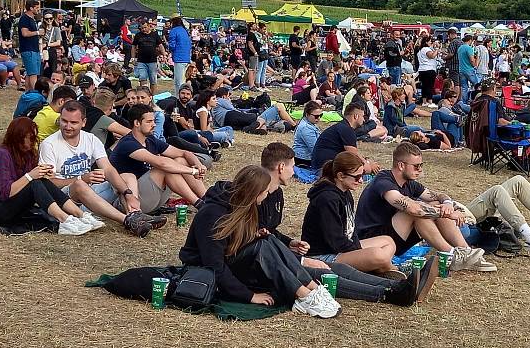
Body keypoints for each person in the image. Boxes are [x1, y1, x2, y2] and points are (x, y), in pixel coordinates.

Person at [257, 142, 430, 305]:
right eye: (357, 177)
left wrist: (290, 243)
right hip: (324, 252)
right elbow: (334, 241)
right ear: (340, 176)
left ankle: (397, 281)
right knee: (368, 260)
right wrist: (303, 259)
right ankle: (398, 281)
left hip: (333, 248)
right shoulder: (326, 198)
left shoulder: (343, 193)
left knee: (387, 242)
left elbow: (270, 233)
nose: (361, 181)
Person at [179, 165, 342, 318]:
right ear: (254, 193)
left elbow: (231, 242)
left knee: (267, 239)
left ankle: (311, 287)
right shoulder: (213, 214)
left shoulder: (241, 205)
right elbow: (214, 263)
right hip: (204, 271)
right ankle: (303, 295)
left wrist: (253, 235)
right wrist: (249, 296)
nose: (266, 197)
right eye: (265, 192)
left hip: (228, 261)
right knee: (262, 247)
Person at [355, 142, 496, 271]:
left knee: (435, 205)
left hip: (393, 235)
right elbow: (411, 208)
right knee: (415, 211)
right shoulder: (383, 181)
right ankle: (451, 255)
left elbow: (438, 195)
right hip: (373, 241)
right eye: (416, 166)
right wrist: (447, 214)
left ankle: (466, 252)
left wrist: (446, 205)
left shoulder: (409, 182)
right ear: (401, 165)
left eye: (421, 165)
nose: (420, 170)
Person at [38, 100, 163, 236]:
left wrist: (128, 193)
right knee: (79, 184)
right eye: (64, 121)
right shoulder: (49, 144)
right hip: (67, 200)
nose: (67, 126)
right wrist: (81, 178)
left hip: (91, 194)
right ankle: (127, 220)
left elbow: (108, 169)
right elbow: (47, 183)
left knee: (127, 176)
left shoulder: (90, 139)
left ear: (84, 122)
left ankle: (136, 215)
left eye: (73, 123)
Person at [0, 117, 96, 235]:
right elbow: (6, 193)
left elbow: (28, 182)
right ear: (18, 138)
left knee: (40, 180)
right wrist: (30, 175)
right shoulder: (1, 154)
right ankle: (65, 220)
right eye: (31, 138)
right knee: (34, 181)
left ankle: (80, 215)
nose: (34, 142)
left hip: (12, 204)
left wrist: (43, 173)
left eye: (35, 138)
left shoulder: (28, 153)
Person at [110, 103, 208, 213]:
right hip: (131, 200)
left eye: (153, 120)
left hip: (152, 195)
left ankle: (207, 198)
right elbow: (162, 164)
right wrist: (192, 171)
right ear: (137, 123)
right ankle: (199, 204)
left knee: (180, 160)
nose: (154, 124)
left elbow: (184, 153)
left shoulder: (150, 140)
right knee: (164, 169)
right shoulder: (127, 143)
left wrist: (198, 165)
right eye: (149, 121)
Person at [310, 102, 381, 173]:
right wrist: (369, 165)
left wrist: (366, 161)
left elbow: (354, 155)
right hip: (323, 169)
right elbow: (354, 156)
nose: (364, 120)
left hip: (319, 166)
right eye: (362, 116)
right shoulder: (347, 130)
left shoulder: (342, 126)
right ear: (356, 116)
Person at [18, 0, 45, 90]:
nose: (39, 10)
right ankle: (35, 93)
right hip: (28, 49)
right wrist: (37, 32)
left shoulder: (33, 19)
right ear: (31, 8)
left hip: (34, 49)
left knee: (32, 73)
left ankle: (29, 92)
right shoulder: (24, 18)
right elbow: (24, 33)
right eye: (37, 8)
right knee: (33, 74)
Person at [132, 20, 162, 95]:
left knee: (153, 80)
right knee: (142, 78)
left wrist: (163, 55)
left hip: (152, 61)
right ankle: (143, 95)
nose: (143, 30)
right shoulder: (138, 35)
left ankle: (152, 96)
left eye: (145, 27)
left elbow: (160, 45)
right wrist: (133, 58)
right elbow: (133, 47)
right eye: (142, 28)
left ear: (149, 26)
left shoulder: (155, 35)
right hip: (141, 61)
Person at [292, 101, 322, 167]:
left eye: (320, 115)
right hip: (304, 160)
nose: (319, 118)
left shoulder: (309, 123)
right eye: (316, 116)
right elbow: (315, 149)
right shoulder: (306, 128)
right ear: (307, 114)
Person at [168, 17, 191, 96]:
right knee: (183, 79)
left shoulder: (174, 31)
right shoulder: (184, 31)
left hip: (179, 57)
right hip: (186, 57)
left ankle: (179, 97)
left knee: (178, 81)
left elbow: (172, 45)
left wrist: (169, 49)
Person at [417, 35, 440, 107]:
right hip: (429, 69)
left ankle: (424, 101)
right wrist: (436, 49)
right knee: (430, 86)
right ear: (426, 42)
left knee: (424, 86)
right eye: (431, 41)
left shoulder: (420, 50)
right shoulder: (426, 49)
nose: (432, 43)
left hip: (422, 69)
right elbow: (432, 56)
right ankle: (430, 101)